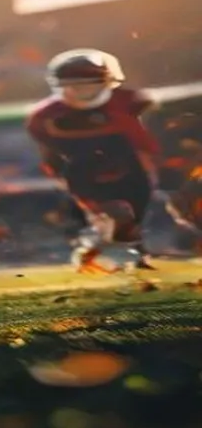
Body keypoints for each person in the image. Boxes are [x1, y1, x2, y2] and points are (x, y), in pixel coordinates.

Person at [25, 49, 160, 272]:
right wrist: (59, 175)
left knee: (129, 222)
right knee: (117, 214)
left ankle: (110, 253)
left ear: (107, 82)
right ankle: (112, 254)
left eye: (89, 84)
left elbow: (147, 141)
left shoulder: (131, 102)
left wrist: (154, 166)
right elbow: (50, 154)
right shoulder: (44, 117)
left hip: (130, 168)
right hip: (84, 171)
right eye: (73, 85)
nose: (81, 91)